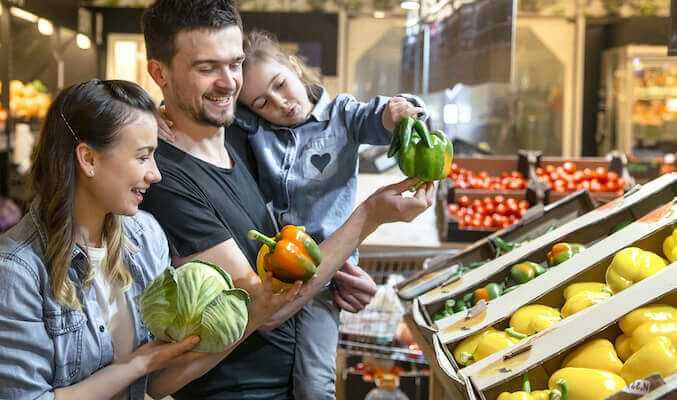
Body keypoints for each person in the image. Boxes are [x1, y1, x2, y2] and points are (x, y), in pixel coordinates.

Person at [140, 0, 434, 399]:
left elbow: (286, 262)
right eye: (207, 68)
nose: (228, 83)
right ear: (159, 73)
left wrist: (333, 275)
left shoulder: (242, 137)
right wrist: (368, 218)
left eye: (235, 64)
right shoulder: (164, 177)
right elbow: (266, 309)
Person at [0, 79, 301, 400]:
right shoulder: (17, 271)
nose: (155, 174)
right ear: (88, 159)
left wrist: (255, 313)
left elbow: (156, 383)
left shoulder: (145, 236)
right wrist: (136, 366)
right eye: (143, 157)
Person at [229, 29, 425, 400]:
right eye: (262, 102)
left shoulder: (343, 115)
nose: (280, 103)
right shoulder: (256, 129)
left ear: (293, 66)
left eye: (280, 85)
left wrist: (398, 111)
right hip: (269, 271)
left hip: (324, 274)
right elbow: (207, 113)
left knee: (314, 385)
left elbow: (380, 117)